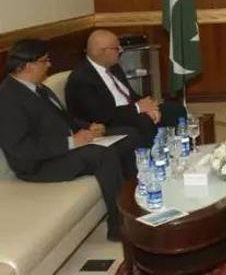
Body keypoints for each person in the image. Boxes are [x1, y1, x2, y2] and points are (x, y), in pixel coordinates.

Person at [0, 39, 139, 241]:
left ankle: (135, 204)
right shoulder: (7, 98)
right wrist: (71, 142)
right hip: (38, 165)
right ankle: (119, 226)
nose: (49, 65)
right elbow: (21, 148)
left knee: (127, 136)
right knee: (103, 154)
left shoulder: (38, 88)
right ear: (28, 65)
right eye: (45, 60)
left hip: (63, 148)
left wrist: (88, 128)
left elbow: (64, 119)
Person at [66, 29, 180, 148]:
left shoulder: (114, 67)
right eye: (117, 48)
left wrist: (151, 106)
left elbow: (131, 96)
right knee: (144, 120)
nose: (121, 51)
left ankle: (178, 150)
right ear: (103, 51)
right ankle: (151, 156)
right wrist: (138, 108)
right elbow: (101, 115)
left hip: (129, 112)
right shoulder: (81, 79)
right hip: (106, 123)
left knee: (174, 109)